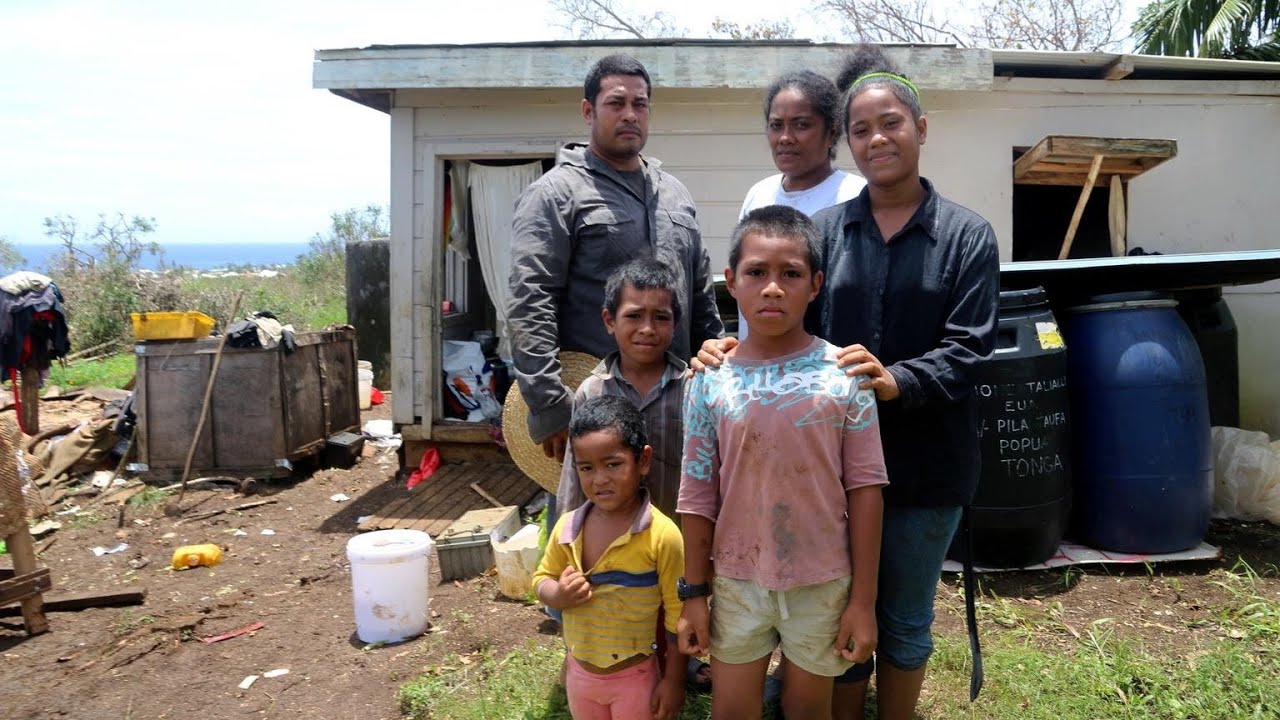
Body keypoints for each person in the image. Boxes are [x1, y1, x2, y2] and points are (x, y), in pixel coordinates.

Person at [694, 47, 1000, 720]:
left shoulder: (966, 236)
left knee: (904, 619)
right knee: (838, 615)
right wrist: (731, 349)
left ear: (921, 128)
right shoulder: (826, 232)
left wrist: (899, 380)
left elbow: (970, 348)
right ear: (848, 142)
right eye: (862, 130)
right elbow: (785, 317)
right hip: (821, 467)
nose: (877, 139)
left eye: (891, 124)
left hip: (924, 465)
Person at [676, 205, 888, 720]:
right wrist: (694, 593)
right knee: (731, 710)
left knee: (808, 709)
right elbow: (697, 492)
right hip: (736, 580)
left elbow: (866, 490)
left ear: (815, 285)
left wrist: (862, 602)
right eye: (756, 272)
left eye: (790, 274)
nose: (772, 288)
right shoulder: (709, 379)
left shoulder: (845, 375)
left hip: (823, 579)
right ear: (731, 281)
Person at [508, 53, 724, 465]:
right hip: (595, 411)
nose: (630, 114)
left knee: (678, 505)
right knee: (590, 508)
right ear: (588, 110)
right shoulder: (556, 194)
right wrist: (549, 404)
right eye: (616, 103)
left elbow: (701, 297)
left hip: (678, 406)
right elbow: (530, 301)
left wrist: (714, 372)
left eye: (640, 104)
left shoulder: (674, 193)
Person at [533, 395, 687, 720]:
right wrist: (557, 594)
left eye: (613, 464)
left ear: (643, 461)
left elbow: (677, 617)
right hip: (580, 678)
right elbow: (541, 579)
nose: (600, 479)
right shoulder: (568, 528)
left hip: (635, 679)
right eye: (586, 468)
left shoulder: (662, 536)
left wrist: (674, 680)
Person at [555, 257, 688, 524]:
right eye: (634, 316)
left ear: (675, 323)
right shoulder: (592, 392)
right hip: (609, 542)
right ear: (609, 320)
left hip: (678, 539)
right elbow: (573, 481)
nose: (647, 329)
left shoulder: (692, 389)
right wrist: (566, 541)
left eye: (661, 317)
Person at [737, 70, 864, 341]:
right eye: (776, 125)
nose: (785, 137)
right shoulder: (759, 195)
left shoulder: (855, 196)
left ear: (832, 133)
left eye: (801, 125)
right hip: (757, 359)